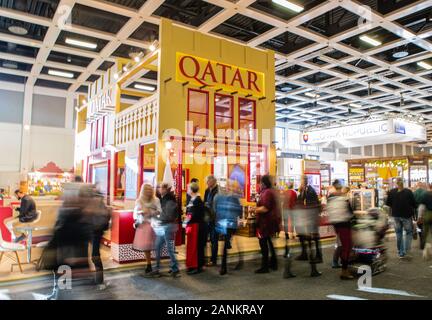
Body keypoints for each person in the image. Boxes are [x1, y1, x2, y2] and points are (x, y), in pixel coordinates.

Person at [38, 183, 95, 300]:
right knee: (66, 290)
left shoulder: (70, 212)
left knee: (65, 289)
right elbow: (69, 237)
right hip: (70, 261)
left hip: (68, 261)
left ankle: (57, 294)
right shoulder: (76, 214)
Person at [213, 180, 243, 275]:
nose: (227, 187)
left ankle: (224, 267)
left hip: (230, 224)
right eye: (227, 186)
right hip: (226, 223)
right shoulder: (225, 197)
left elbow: (238, 210)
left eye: (229, 186)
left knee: (225, 245)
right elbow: (218, 208)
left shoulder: (234, 198)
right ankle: (238, 259)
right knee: (226, 244)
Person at [253, 175, 281, 274]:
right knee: (268, 242)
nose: (259, 185)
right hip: (270, 222)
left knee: (263, 243)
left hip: (265, 222)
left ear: (263, 183)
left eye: (260, 183)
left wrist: (254, 209)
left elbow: (265, 208)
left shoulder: (266, 193)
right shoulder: (271, 191)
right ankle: (273, 262)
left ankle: (265, 266)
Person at [151, 183, 180, 278]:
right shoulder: (164, 198)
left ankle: (174, 268)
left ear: (165, 189)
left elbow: (168, 215)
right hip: (165, 225)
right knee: (159, 246)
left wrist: (157, 217)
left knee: (168, 248)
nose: (159, 189)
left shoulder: (169, 199)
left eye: (160, 187)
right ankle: (158, 268)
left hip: (167, 225)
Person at [326, 180, 354, 280]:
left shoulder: (330, 197)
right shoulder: (344, 197)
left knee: (341, 245)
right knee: (347, 247)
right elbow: (350, 212)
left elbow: (328, 210)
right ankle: (344, 271)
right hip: (344, 224)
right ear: (340, 186)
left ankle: (343, 267)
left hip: (336, 224)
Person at [132, 184, 160, 274]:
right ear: (143, 191)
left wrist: (150, 212)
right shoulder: (139, 201)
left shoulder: (156, 200)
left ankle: (156, 264)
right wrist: (140, 213)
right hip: (143, 225)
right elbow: (135, 213)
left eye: (150, 189)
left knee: (155, 246)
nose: (148, 191)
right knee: (146, 246)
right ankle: (149, 264)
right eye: (146, 190)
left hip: (153, 225)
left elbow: (160, 211)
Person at [88, 186, 112, 290]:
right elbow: (106, 225)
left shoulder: (92, 204)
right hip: (94, 233)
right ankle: (98, 280)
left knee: (94, 256)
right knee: (94, 256)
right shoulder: (101, 206)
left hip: (93, 233)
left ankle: (99, 280)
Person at [386, 177, 416, 259]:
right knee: (409, 232)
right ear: (404, 182)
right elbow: (414, 204)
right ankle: (407, 250)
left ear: (396, 183)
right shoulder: (408, 192)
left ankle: (400, 252)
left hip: (396, 215)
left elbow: (388, 204)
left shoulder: (392, 192)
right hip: (406, 216)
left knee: (398, 233)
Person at [295, 176, 322, 263]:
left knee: (314, 236)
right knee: (303, 235)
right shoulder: (304, 190)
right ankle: (305, 254)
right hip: (306, 216)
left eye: (302, 181)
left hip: (311, 217)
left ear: (305, 181)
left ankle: (317, 256)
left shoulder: (310, 191)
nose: (301, 183)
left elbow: (311, 204)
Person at [185, 182, 206, 275]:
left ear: (192, 189)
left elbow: (194, 214)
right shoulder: (192, 199)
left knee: (196, 247)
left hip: (196, 226)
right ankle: (192, 265)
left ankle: (196, 266)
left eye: (188, 188)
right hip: (192, 225)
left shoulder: (197, 200)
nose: (187, 190)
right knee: (191, 246)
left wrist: (186, 221)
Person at [203, 175, 219, 267]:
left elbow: (216, 204)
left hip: (215, 218)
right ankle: (204, 259)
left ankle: (213, 260)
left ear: (213, 181)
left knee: (214, 240)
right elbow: (205, 202)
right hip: (207, 218)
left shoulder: (218, 191)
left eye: (208, 181)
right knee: (204, 239)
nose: (207, 183)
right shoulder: (206, 190)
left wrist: (209, 204)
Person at [282, 182, 297, 257]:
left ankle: (286, 234)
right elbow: (296, 201)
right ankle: (293, 234)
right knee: (293, 221)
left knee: (285, 222)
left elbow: (283, 201)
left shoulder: (285, 192)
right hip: (292, 209)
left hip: (285, 209)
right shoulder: (294, 193)